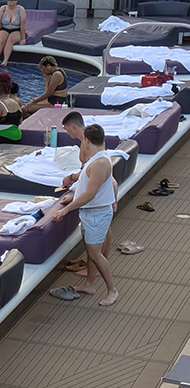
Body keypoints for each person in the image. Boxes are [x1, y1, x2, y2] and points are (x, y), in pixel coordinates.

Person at [51, 125, 120, 307]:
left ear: (87, 141)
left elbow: (90, 194)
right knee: (91, 251)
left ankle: (112, 290)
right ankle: (89, 284)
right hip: (91, 213)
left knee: (96, 254)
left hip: (97, 214)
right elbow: (86, 172)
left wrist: (66, 209)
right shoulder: (98, 156)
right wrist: (73, 176)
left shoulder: (100, 163)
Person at [60, 111, 118, 278]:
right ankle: (97, 262)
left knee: (102, 233)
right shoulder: (97, 145)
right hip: (106, 191)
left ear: (73, 126)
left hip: (103, 195)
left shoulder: (88, 149)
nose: (67, 133)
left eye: (66, 129)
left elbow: (91, 178)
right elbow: (86, 174)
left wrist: (72, 198)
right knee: (104, 230)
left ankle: (100, 263)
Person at [0, 0, 27, 67]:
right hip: (5, 28)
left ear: (16, 1)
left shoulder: (21, 9)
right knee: (1, 41)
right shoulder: (3, 9)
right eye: (9, 0)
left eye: (12, 0)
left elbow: (22, 25)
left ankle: (5, 61)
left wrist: (23, 38)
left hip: (16, 29)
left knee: (10, 40)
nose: (10, 2)